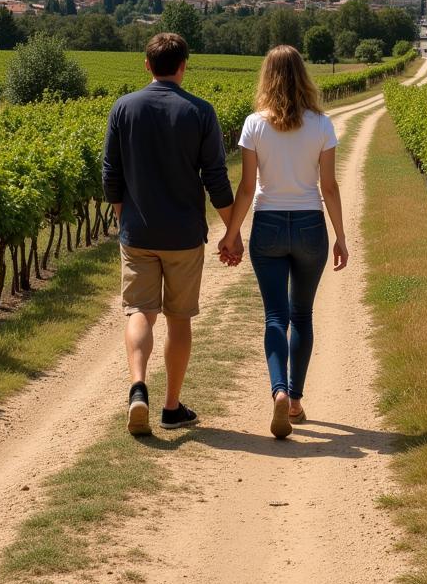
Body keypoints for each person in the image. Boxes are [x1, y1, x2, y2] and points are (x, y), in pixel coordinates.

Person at [103, 32, 235, 437]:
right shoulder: (200, 111)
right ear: (183, 66)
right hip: (183, 236)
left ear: (147, 65)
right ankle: (171, 407)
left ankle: (138, 387)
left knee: (140, 311)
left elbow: (111, 174)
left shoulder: (123, 108)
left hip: (138, 232)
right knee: (179, 319)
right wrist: (232, 230)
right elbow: (215, 176)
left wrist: (125, 218)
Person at [218, 45, 348, 439]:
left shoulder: (254, 125)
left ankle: (276, 389)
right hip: (310, 225)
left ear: (266, 77)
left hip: (269, 224)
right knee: (303, 315)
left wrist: (231, 234)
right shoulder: (322, 125)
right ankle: (294, 400)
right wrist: (340, 236)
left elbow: (244, 188)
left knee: (275, 315)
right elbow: (329, 187)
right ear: (303, 76)